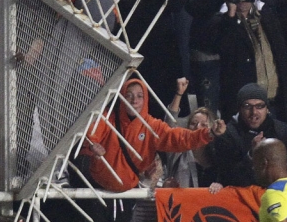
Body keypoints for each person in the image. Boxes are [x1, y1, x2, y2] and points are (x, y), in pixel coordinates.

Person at [81, 76, 224, 193]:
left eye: (139, 96)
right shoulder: (107, 118)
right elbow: (91, 134)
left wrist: (208, 133)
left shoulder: (152, 126)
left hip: (130, 193)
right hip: (95, 187)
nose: (134, 100)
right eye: (129, 95)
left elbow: (179, 137)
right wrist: (93, 145)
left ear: (146, 100)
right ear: (122, 97)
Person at [213, 83, 287, 187]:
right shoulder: (228, 135)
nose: (254, 112)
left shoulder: (284, 131)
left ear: (267, 109)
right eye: (247, 106)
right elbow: (227, 176)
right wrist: (251, 155)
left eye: (260, 106)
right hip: (244, 194)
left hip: (280, 192)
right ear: (239, 109)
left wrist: (280, 158)